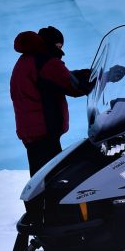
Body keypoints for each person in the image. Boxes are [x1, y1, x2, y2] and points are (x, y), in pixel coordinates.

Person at [10, 25, 93, 176]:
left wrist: (84, 74)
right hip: (45, 130)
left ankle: (37, 200)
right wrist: (99, 78)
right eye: (59, 45)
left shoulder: (26, 60)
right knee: (53, 178)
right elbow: (72, 85)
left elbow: (57, 78)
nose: (60, 50)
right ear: (52, 43)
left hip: (31, 130)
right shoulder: (45, 61)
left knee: (39, 176)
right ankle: (46, 201)